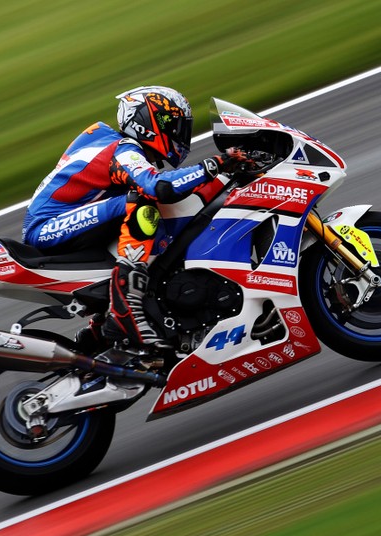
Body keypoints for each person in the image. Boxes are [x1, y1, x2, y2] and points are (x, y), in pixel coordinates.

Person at [23, 86, 255, 350]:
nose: (179, 133)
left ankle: (102, 328)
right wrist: (216, 164)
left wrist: (229, 175)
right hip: (49, 226)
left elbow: (181, 195)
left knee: (155, 208)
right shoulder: (123, 149)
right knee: (143, 202)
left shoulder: (123, 149)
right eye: (174, 125)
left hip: (69, 220)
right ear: (149, 121)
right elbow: (161, 188)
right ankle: (125, 308)